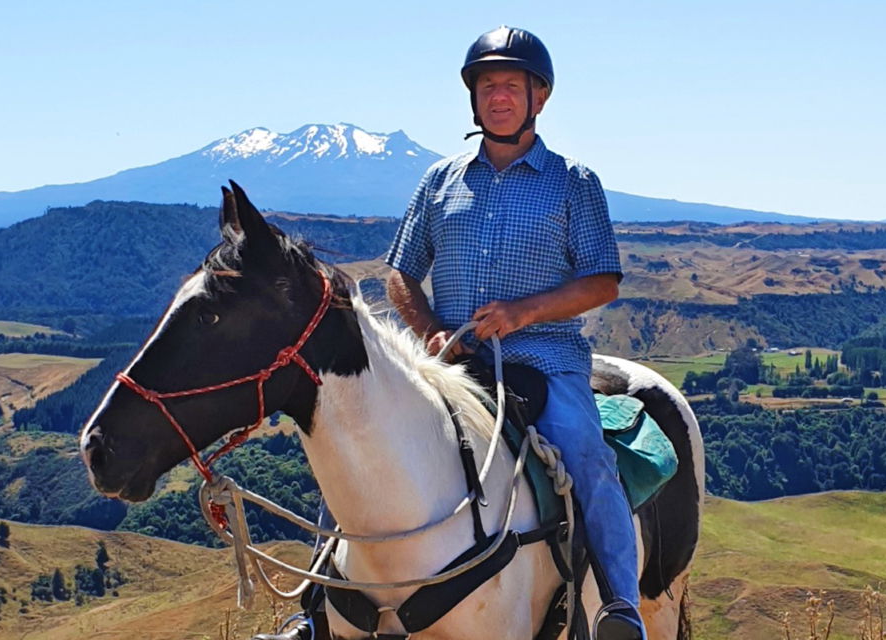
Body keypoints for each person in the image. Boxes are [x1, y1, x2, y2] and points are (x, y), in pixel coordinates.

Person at [257, 25, 643, 640]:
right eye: (488, 85)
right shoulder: (439, 182)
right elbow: (400, 275)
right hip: (452, 367)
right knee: (357, 455)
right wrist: (431, 328)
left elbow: (602, 281)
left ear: (538, 98)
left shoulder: (574, 182)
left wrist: (522, 313)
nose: (499, 96)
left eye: (512, 86)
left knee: (587, 457)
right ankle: (313, 610)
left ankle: (620, 607)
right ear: (474, 98)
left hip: (544, 361)